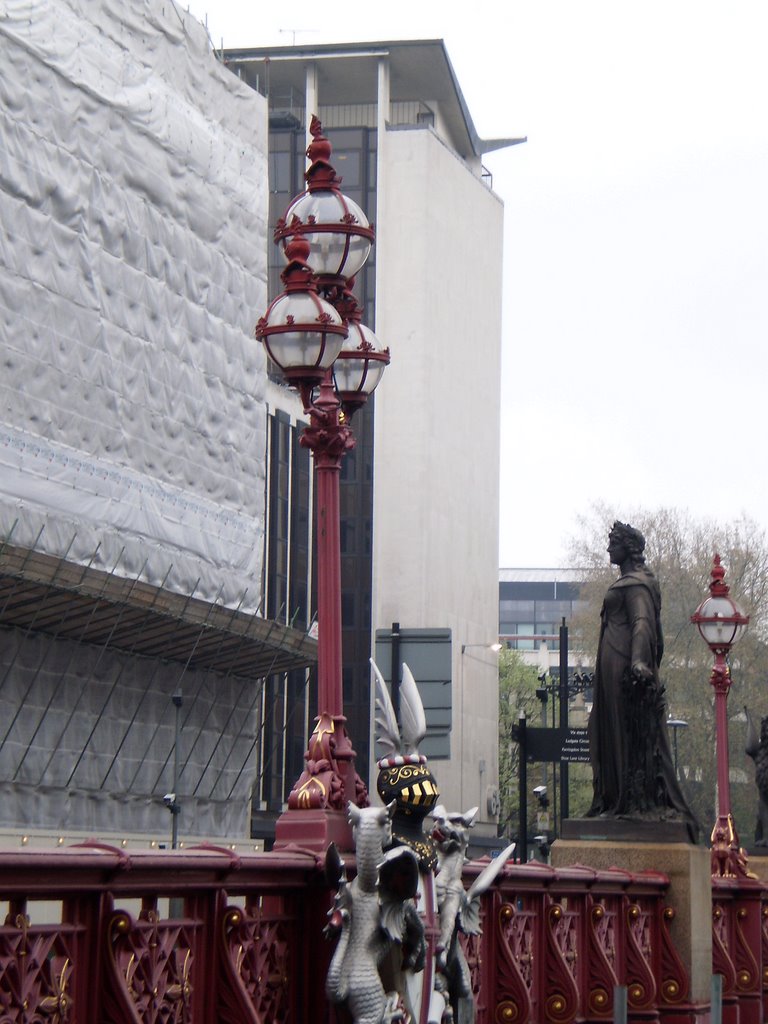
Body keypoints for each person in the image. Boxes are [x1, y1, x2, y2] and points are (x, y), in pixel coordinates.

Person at [587, 522, 696, 832]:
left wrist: (637, 661)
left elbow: (643, 624)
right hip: (611, 662)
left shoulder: (636, 584)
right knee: (610, 729)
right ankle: (613, 799)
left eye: (612, 543)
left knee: (623, 731)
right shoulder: (631, 581)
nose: (608, 549)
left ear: (628, 547)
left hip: (621, 664)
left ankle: (625, 800)